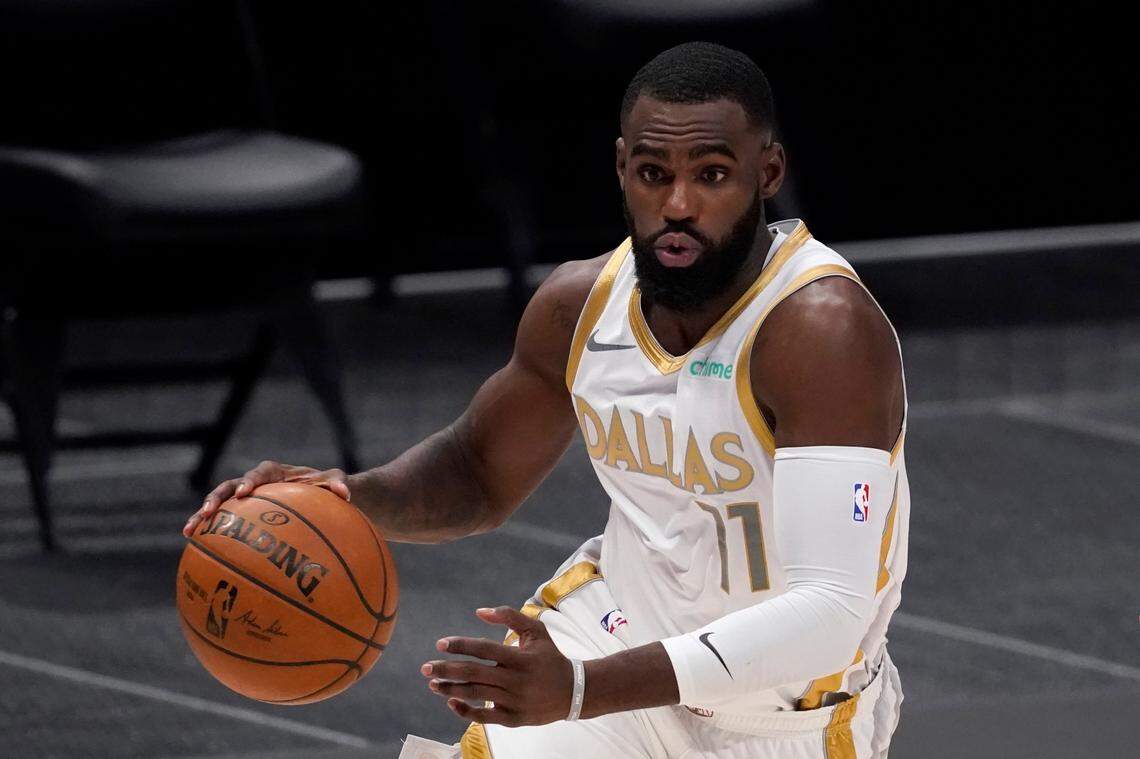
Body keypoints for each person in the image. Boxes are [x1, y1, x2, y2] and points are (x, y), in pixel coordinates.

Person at [184, 41, 909, 759]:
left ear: (767, 173)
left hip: (786, 714)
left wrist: (580, 688)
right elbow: (475, 470)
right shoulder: (579, 306)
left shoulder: (821, 332)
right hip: (612, 638)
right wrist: (339, 500)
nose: (679, 204)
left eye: (712, 175)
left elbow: (831, 613)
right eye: (654, 174)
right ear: (623, 168)